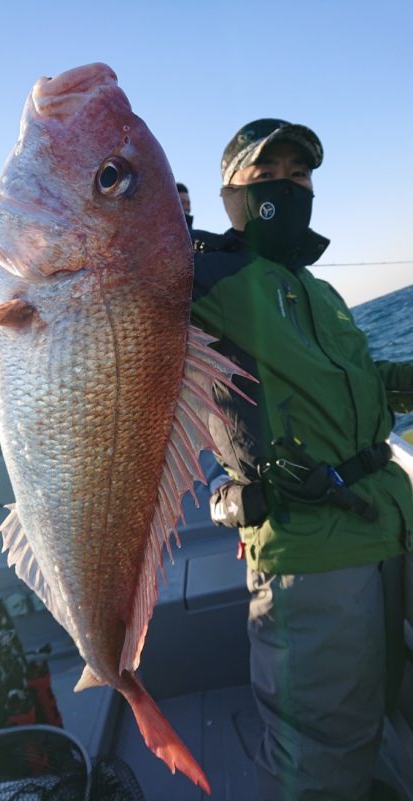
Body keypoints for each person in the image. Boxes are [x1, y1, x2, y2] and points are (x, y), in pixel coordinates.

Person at [190, 118, 413, 801]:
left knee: (390, 707)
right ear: (231, 193)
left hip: (389, 528)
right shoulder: (207, 276)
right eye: (267, 176)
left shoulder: (316, 289)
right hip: (310, 557)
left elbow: (357, 382)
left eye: (299, 175)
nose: (288, 186)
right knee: (316, 760)